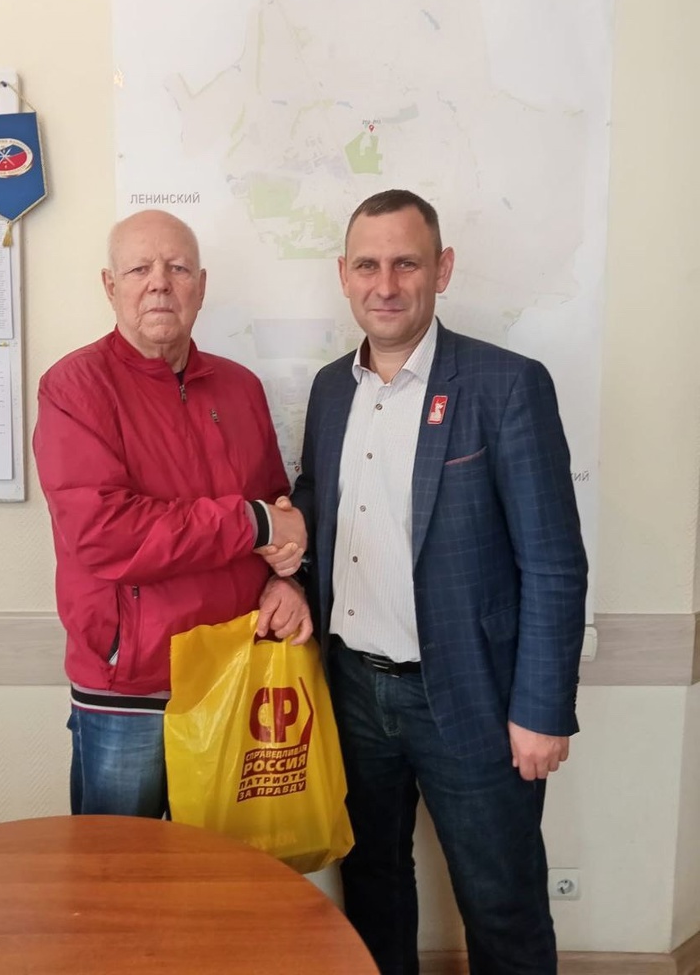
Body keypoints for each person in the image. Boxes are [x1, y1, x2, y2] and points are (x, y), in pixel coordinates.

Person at [265, 190, 587, 974]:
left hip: (471, 699)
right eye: (367, 265)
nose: (385, 284)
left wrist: (542, 711)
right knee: (373, 885)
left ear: (441, 270)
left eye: (406, 263)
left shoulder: (506, 385)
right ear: (343, 275)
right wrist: (290, 560)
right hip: (353, 690)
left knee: (502, 904)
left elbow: (554, 562)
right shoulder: (331, 389)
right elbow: (324, 503)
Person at [33, 209, 310, 818]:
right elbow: (106, 534)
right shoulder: (74, 387)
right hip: (129, 690)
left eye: (178, 268)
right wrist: (254, 524)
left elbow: (278, 508)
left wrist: (287, 580)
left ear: (201, 287)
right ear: (110, 286)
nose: (159, 282)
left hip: (234, 675)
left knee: (223, 867)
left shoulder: (240, 388)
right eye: (140, 268)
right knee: (120, 869)